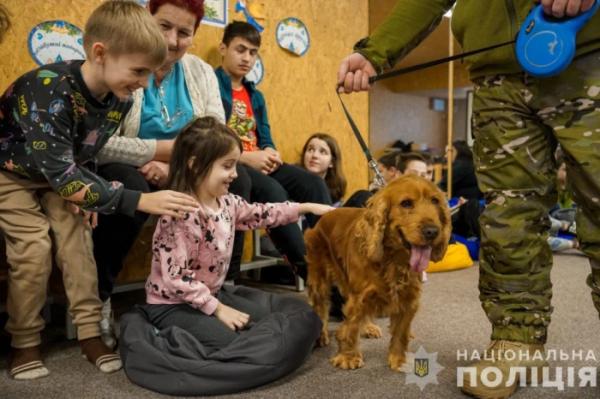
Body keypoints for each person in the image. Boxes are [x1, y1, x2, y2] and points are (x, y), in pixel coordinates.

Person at [337, 0, 600, 397]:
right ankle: (516, 338)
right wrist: (377, 51)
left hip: (587, 52)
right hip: (496, 72)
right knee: (507, 217)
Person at [0, 1, 199, 380]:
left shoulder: (118, 98)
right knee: (34, 248)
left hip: (60, 173)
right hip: (10, 173)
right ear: (100, 53)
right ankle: (24, 343)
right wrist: (137, 199)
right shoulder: (50, 91)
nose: (143, 83)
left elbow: (85, 148)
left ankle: (90, 334)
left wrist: (92, 190)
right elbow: (63, 174)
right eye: (139, 71)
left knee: (78, 243)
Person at [93, 0, 227, 348]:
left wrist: (173, 166)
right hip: (127, 165)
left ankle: (215, 289)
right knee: (130, 190)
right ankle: (99, 299)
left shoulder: (202, 73)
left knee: (233, 182)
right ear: (145, 22)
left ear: (195, 36)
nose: (172, 40)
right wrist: (160, 151)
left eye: (184, 32)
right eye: (163, 26)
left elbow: (216, 139)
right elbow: (103, 145)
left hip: (186, 166)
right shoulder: (124, 65)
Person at [143, 116, 332, 352]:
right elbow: (176, 279)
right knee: (239, 347)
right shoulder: (179, 214)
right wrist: (219, 310)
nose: (234, 174)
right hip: (173, 304)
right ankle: (161, 334)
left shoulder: (228, 203)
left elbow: (262, 213)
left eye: (235, 165)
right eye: (226, 166)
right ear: (195, 164)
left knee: (273, 323)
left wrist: (304, 207)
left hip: (211, 294)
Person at [215, 21, 332, 281]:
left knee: (312, 183)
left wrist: (270, 152)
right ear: (223, 48)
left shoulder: (255, 95)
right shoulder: (212, 84)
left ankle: (335, 259)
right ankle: (313, 278)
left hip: (259, 161)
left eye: (253, 52)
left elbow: (265, 135)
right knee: (274, 193)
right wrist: (246, 157)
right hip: (232, 162)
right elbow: (211, 137)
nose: (247, 58)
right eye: (240, 49)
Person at [299, 132, 347, 206]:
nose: (314, 155)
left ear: (332, 162)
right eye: (310, 149)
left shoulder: (335, 197)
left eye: (322, 152)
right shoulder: (292, 185)